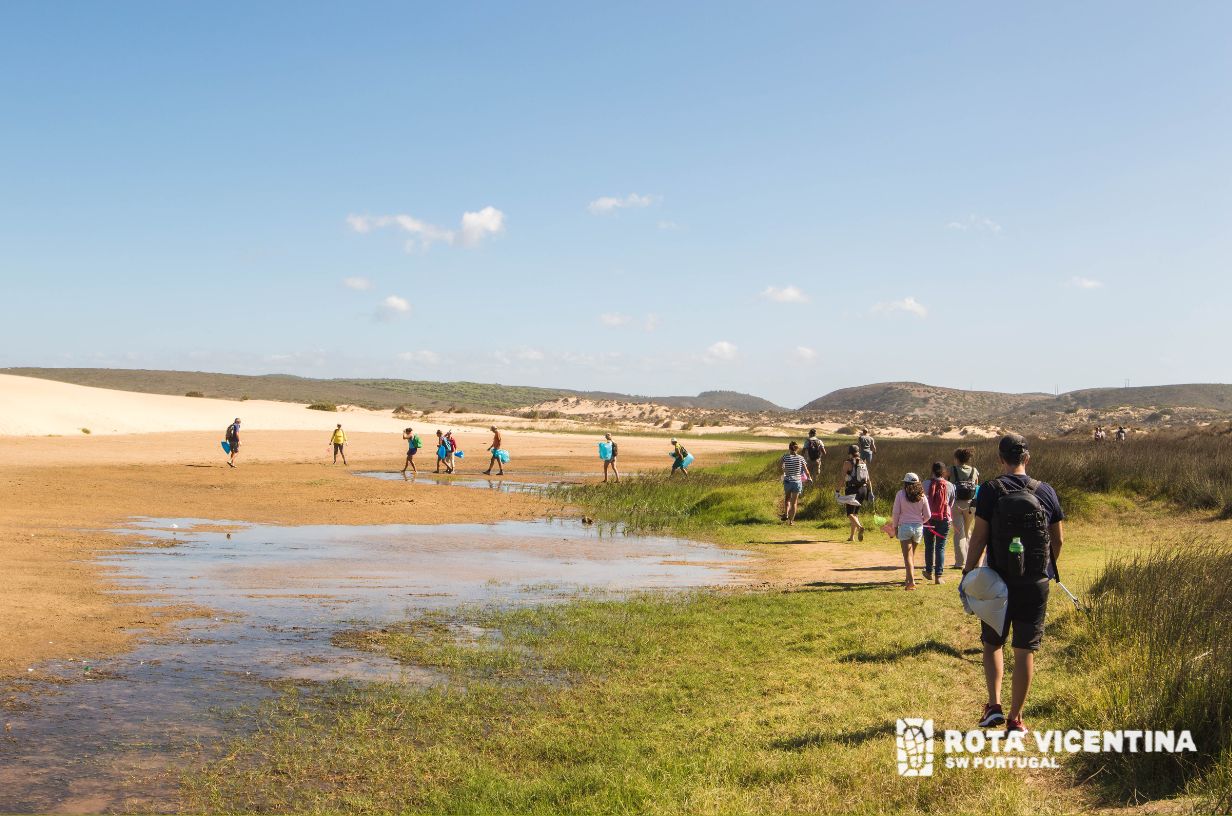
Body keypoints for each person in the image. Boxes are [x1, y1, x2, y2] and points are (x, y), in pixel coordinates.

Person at [963, 433, 1065, 734]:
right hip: (1035, 583)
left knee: (993, 643)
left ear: (1001, 459)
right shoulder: (1046, 491)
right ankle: (1016, 719)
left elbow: (979, 537)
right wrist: (1044, 569)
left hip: (997, 581)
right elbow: (1058, 540)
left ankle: (993, 706)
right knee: (1024, 651)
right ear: (1027, 459)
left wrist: (969, 572)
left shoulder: (990, 490)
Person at [892, 472, 930, 589]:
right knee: (911, 555)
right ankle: (908, 579)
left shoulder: (900, 494)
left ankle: (911, 581)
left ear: (905, 483)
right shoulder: (922, 496)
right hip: (918, 528)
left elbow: (896, 513)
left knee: (907, 556)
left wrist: (895, 527)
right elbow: (928, 515)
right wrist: (920, 521)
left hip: (905, 527)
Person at [922, 462, 954, 584]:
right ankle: (938, 576)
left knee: (929, 545)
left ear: (932, 470)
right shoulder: (950, 485)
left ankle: (928, 571)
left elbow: (921, 500)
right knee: (940, 547)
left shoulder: (925, 484)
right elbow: (951, 503)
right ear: (944, 471)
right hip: (944, 518)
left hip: (928, 519)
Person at [949, 448, 980, 569]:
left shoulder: (951, 470)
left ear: (957, 458)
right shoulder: (974, 470)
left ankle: (960, 562)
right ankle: (971, 560)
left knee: (958, 533)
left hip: (956, 504)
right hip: (971, 505)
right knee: (968, 532)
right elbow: (976, 485)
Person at [839, 445, 869, 542]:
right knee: (855, 514)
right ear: (858, 452)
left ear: (850, 453)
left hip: (852, 490)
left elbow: (842, 478)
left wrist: (837, 490)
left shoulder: (847, 463)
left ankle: (860, 527)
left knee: (849, 514)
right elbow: (868, 479)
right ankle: (852, 537)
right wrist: (870, 492)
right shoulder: (863, 462)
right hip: (863, 490)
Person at [780, 441, 809, 525]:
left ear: (789, 448)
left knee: (787, 499)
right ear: (797, 449)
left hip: (788, 481)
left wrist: (784, 471)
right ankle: (791, 521)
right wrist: (809, 478)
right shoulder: (801, 458)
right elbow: (806, 471)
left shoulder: (785, 457)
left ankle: (786, 514)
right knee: (794, 502)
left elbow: (782, 467)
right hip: (797, 482)